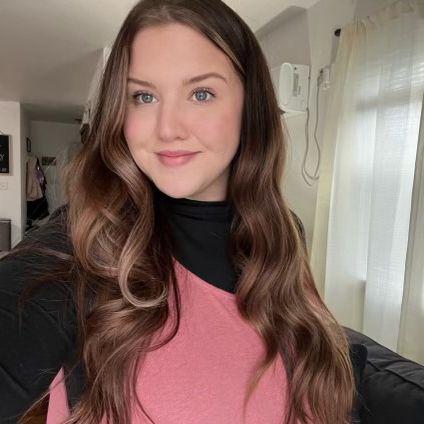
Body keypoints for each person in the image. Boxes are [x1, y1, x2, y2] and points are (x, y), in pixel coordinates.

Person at [0, 1, 365, 423]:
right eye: (144, 96)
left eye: (201, 93)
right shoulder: (84, 242)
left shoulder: (282, 232)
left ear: (250, 107)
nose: (168, 128)